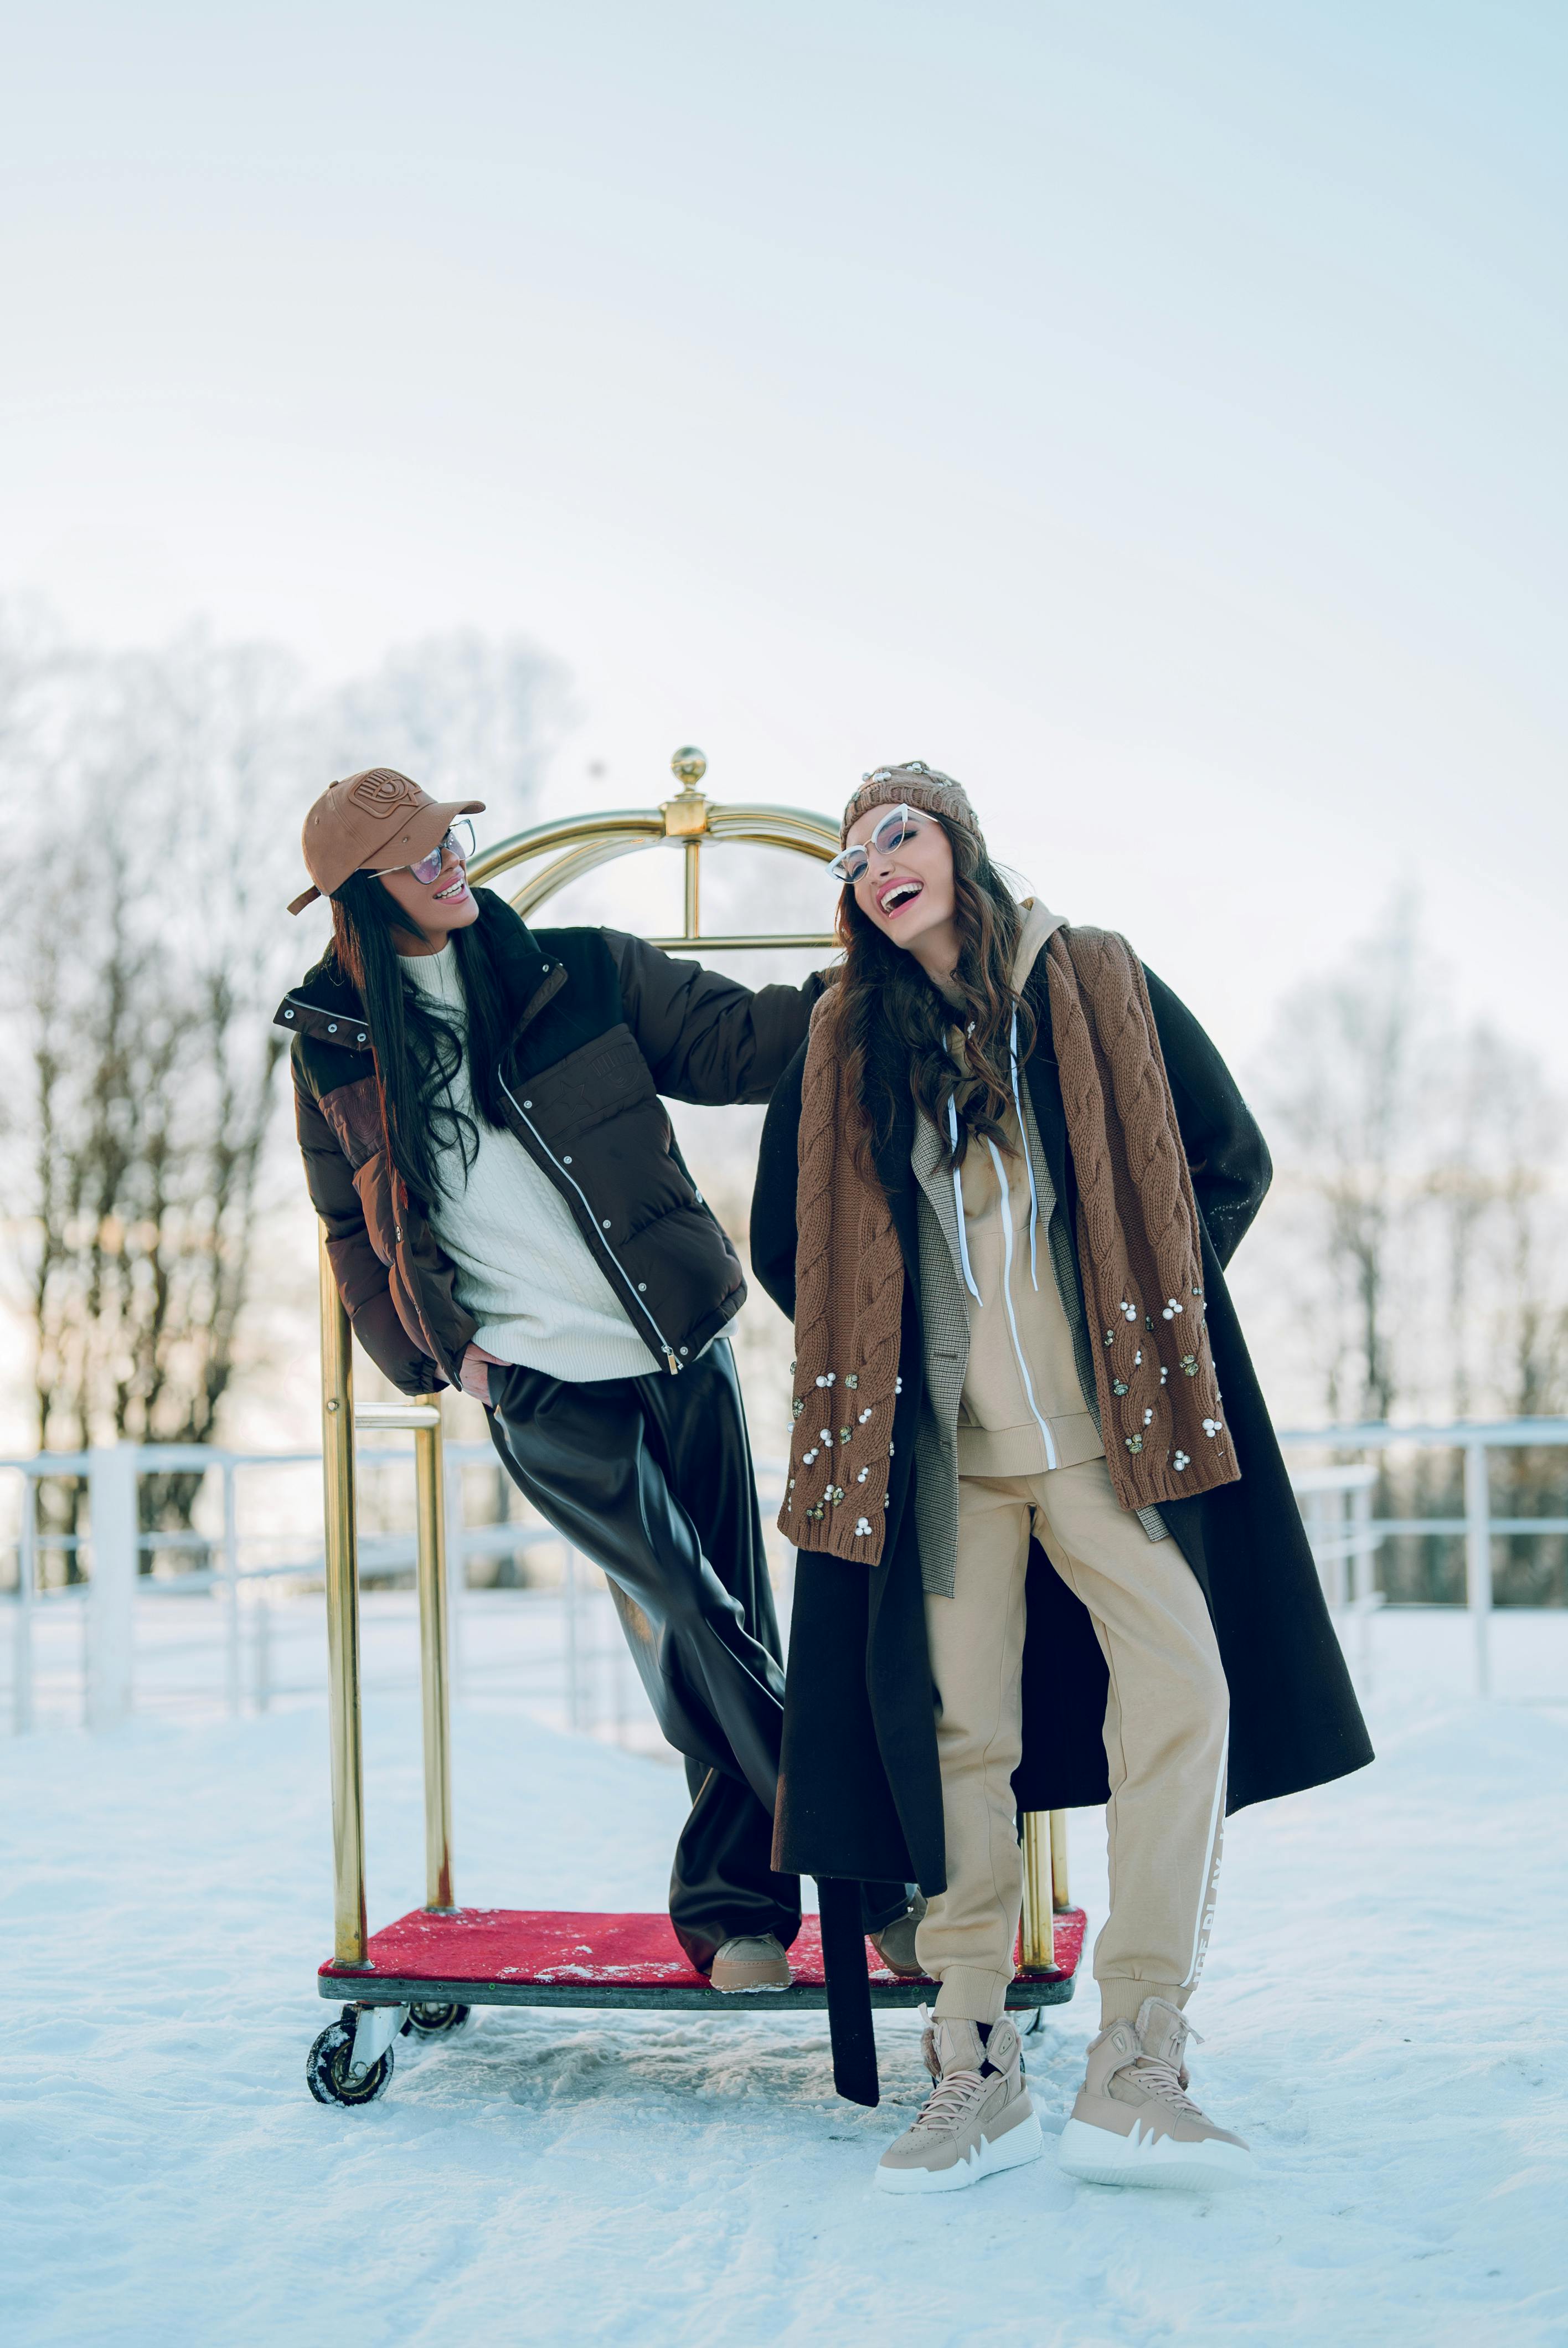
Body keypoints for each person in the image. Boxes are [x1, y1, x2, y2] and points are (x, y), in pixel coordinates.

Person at [751, 761, 1373, 2191]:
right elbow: (795, 1242)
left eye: (897, 833)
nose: (875, 865)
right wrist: (881, 1359)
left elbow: (1226, 1158)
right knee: (956, 1736)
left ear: (958, 843)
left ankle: (1139, 2051)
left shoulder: (1093, 979)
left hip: (1113, 1445)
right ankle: (974, 2060)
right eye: (852, 858)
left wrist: (1145, 1311)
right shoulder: (847, 1036)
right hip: (947, 1470)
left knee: (1186, 1692)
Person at [279, 764, 868, 1991]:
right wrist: (436, 1358)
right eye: (420, 854)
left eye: (452, 837)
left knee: (730, 1628)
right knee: (691, 1614)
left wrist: (872, 986)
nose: (452, 862)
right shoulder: (334, 1043)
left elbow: (740, 1042)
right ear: (362, 893)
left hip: (678, 1346)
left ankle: (738, 1919)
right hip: (539, 1385)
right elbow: (349, 1226)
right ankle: (881, 1868)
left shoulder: (583, 970)